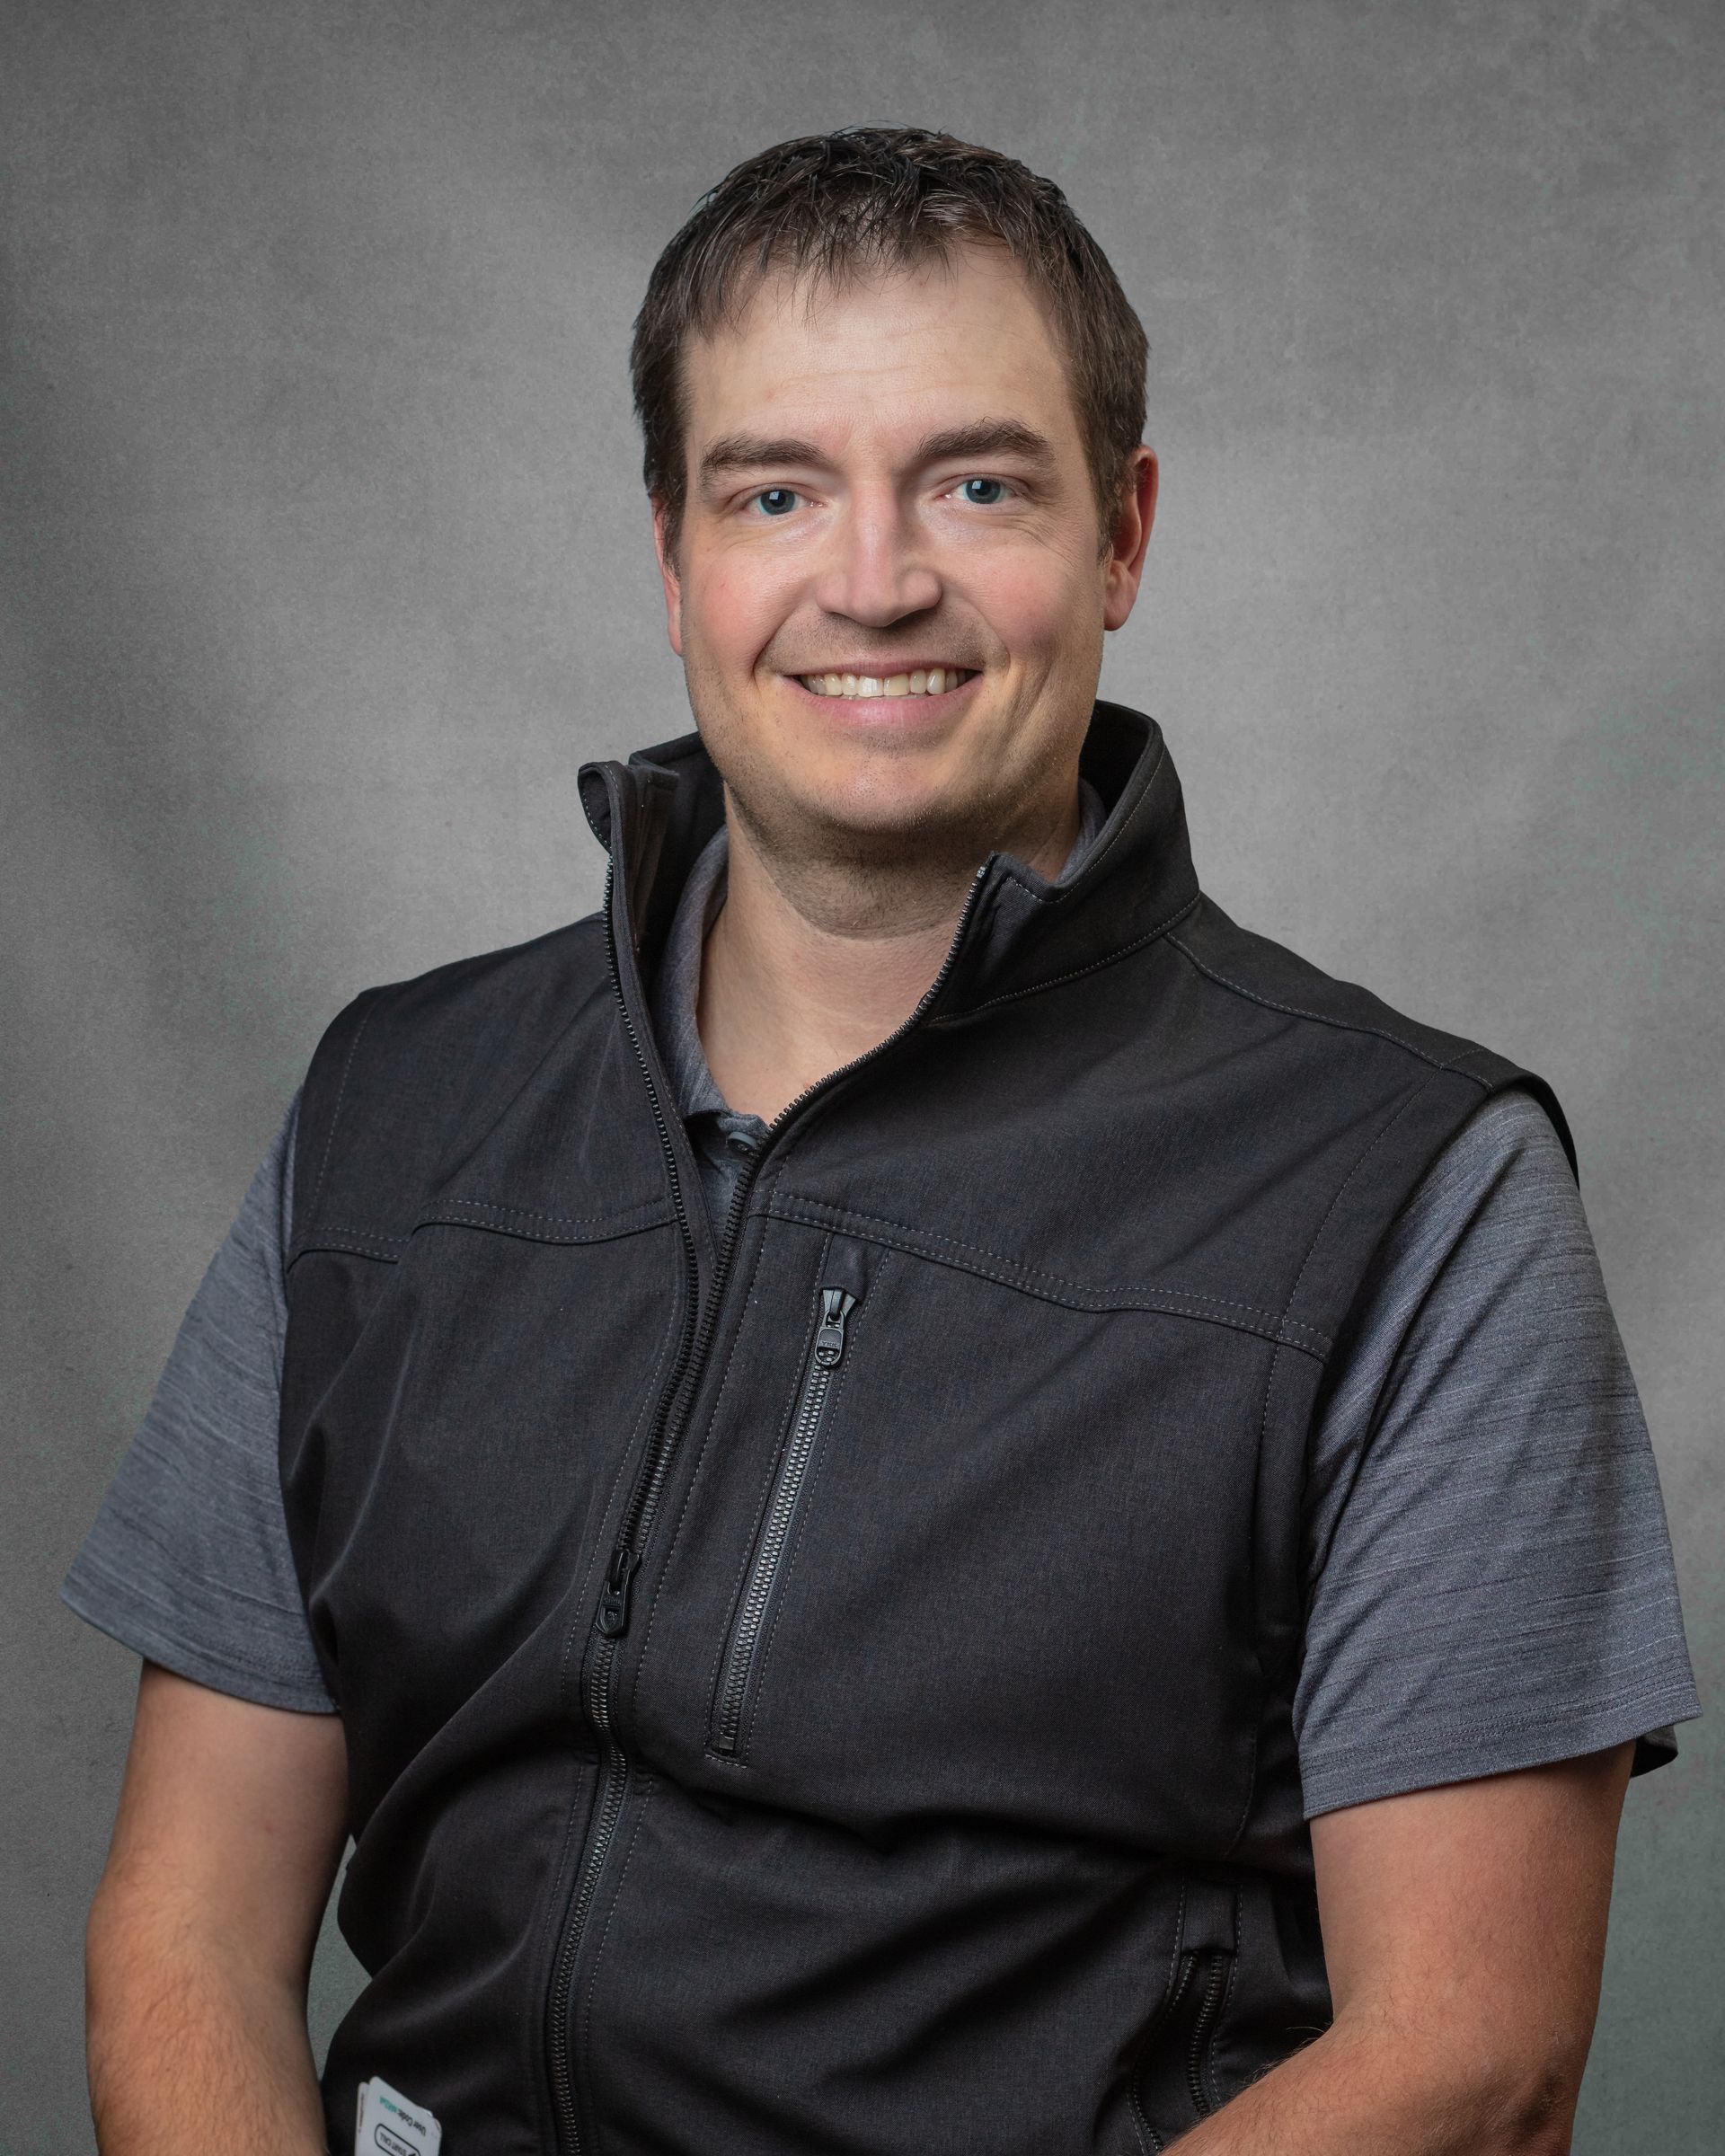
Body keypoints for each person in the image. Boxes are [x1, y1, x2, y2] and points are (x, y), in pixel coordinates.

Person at [66, 128, 1698, 2156]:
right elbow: (188, 1926)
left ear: (1123, 535)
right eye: (776, 490)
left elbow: (1472, 2066)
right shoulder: (389, 1116)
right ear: (672, 559)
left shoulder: (1411, 1197)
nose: (874, 579)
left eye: (979, 483)